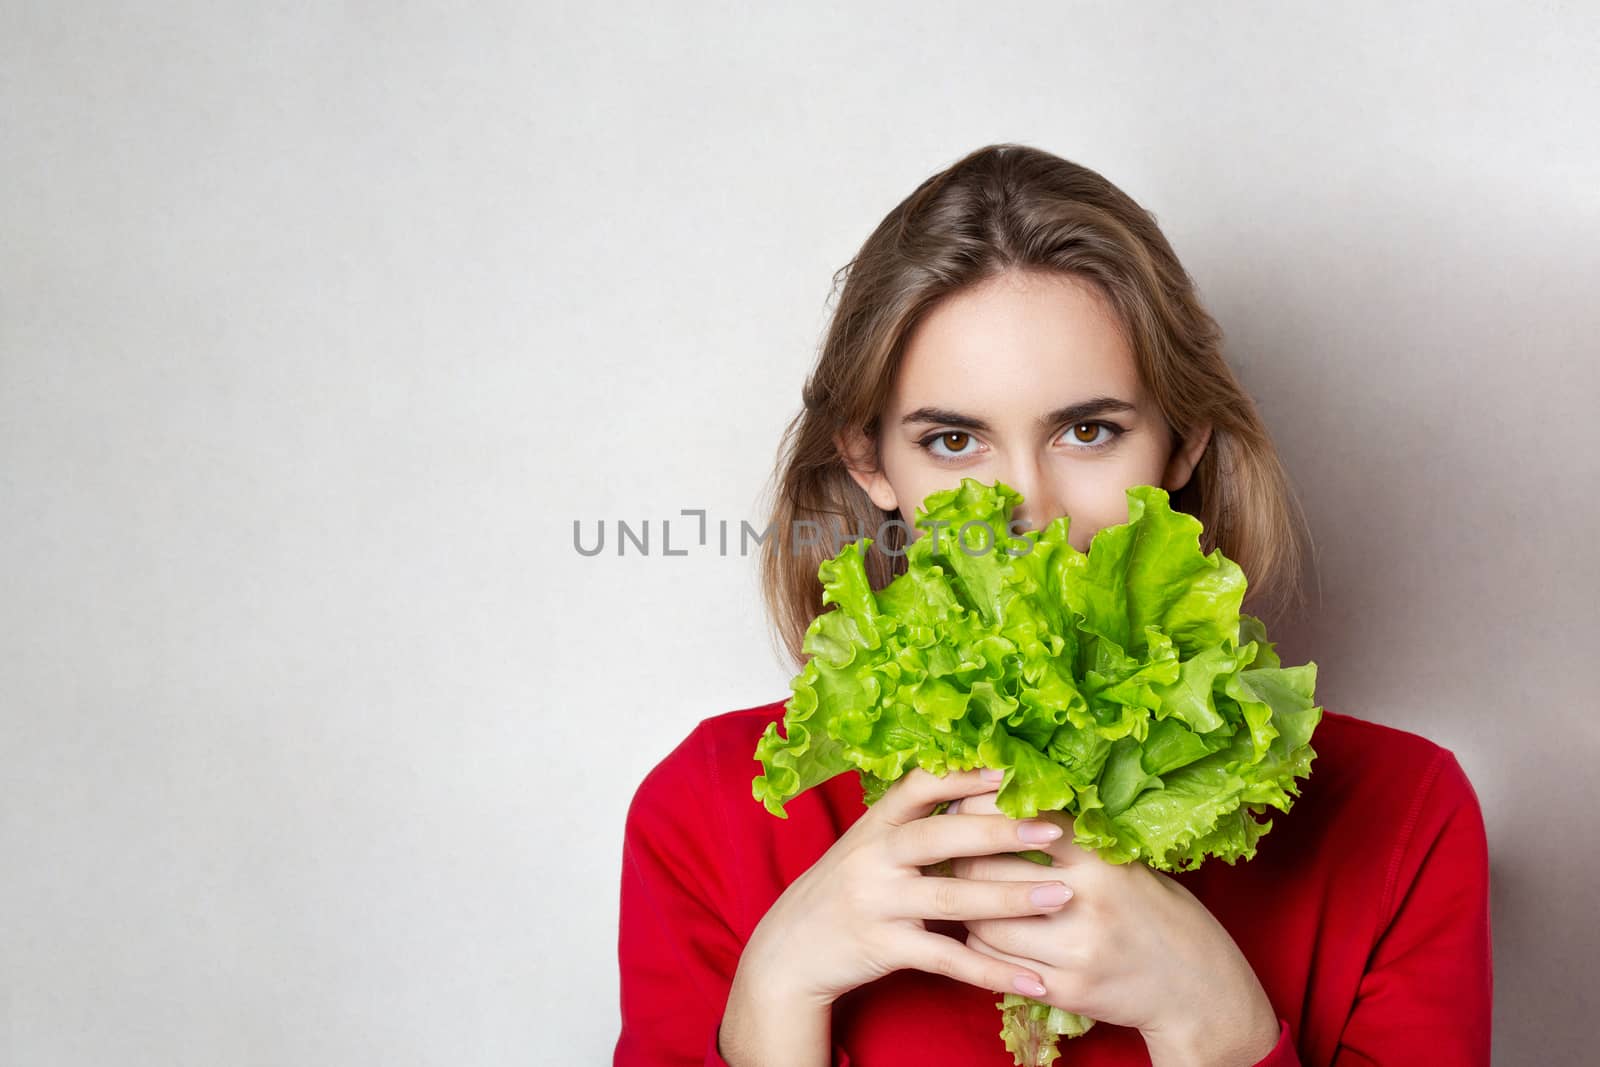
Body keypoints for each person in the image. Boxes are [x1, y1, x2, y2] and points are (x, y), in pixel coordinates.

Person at [613, 144, 1492, 1066]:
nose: (1025, 511)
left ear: (1183, 444)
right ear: (870, 463)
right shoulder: (710, 815)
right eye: (954, 440)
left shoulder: (1400, 818)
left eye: (1087, 430)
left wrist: (1217, 1024)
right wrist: (774, 998)